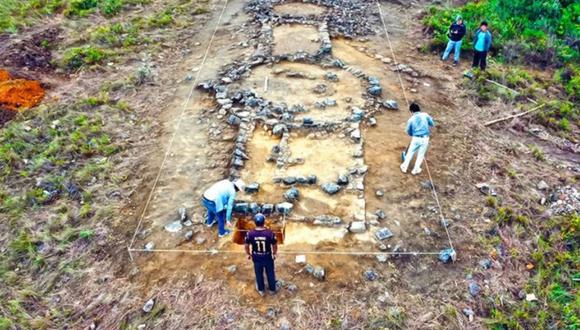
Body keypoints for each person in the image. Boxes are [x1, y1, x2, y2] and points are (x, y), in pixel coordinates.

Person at [245, 213, 277, 296]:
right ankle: (272, 289)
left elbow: (246, 245)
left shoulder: (250, 234)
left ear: (255, 222)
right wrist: (274, 253)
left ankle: (261, 290)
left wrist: (248, 254)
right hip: (267, 257)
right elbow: (274, 245)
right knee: (270, 273)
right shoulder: (269, 233)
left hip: (256, 257)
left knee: (258, 273)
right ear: (264, 222)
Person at [400, 103, 435, 175]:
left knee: (410, 152)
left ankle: (404, 167)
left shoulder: (411, 119)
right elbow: (432, 123)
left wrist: (413, 134)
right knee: (421, 155)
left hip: (416, 138)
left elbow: (408, 131)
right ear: (419, 109)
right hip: (425, 138)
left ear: (411, 111)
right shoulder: (425, 115)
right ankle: (415, 170)